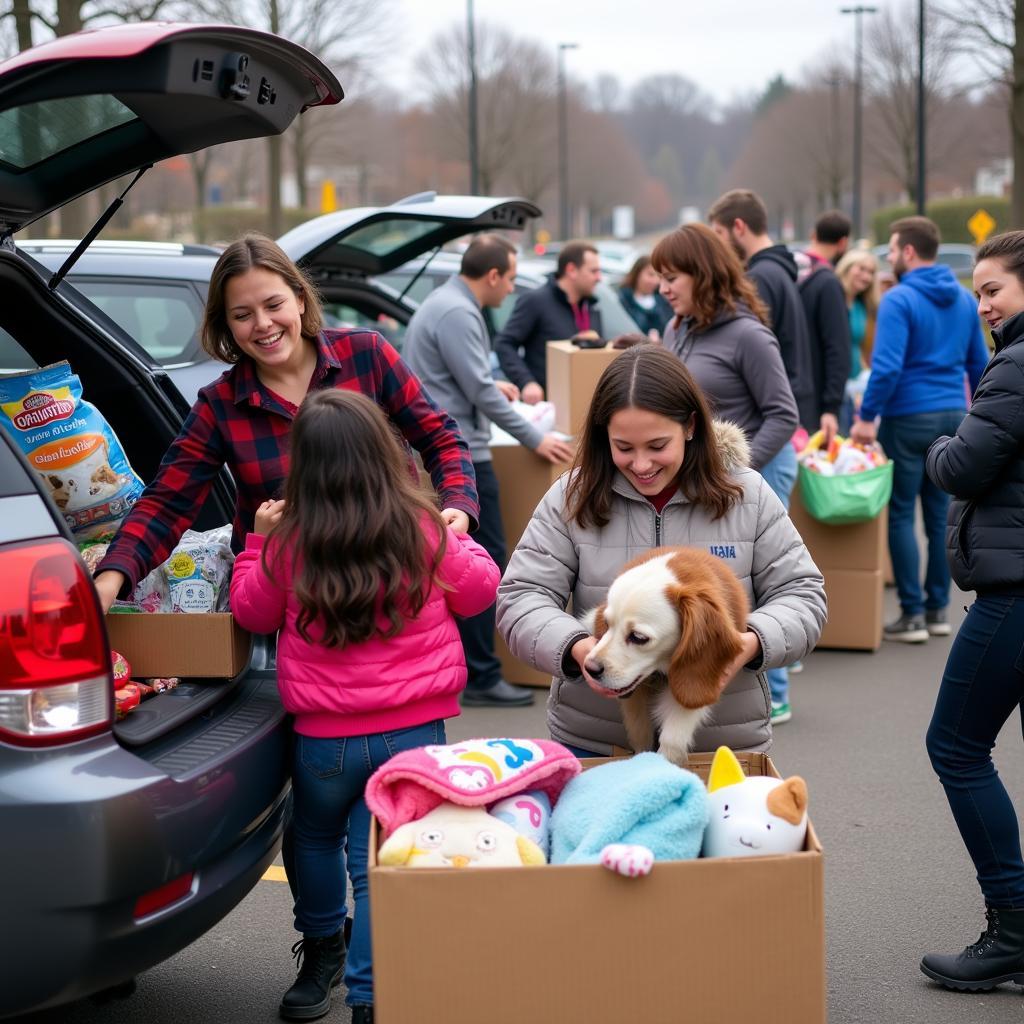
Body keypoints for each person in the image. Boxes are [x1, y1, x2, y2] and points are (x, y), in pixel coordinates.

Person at [231, 389, 500, 1023]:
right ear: (385, 452)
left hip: (324, 741)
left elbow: (251, 612)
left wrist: (256, 541)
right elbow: (481, 591)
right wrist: (462, 534)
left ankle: (322, 951)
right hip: (414, 733)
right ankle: (370, 998)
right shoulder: (421, 527)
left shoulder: (291, 541)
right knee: (376, 861)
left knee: (315, 839)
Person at [92, 232, 479, 609]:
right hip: (291, 607)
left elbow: (440, 437)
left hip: (394, 580)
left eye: (273, 304)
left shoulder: (367, 355)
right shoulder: (219, 404)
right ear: (226, 324)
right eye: (242, 315)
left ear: (299, 298)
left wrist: (458, 504)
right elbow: (167, 504)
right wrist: (113, 575)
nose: (262, 324)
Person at [496, 344, 826, 758]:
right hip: (595, 739)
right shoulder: (571, 497)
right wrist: (579, 647)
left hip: (721, 744)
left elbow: (803, 594)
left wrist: (748, 643)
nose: (641, 464)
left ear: (690, 426)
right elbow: (520, 597)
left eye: (657, 445)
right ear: (603, 437)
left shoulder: (747, 494)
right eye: (623, 447)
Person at [404, 234, 575, 708]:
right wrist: (535, 438)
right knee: (482, 560)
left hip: (447, 448)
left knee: (460, 556)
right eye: (512, 279)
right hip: (463, 455)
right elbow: (476, 390)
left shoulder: (443, 302)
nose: (512, 290)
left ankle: (473, 667)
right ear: (493, 275)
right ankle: (482, 672)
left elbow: (460, 376)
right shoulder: (459, 312)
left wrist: (495, 383)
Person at [920, 230, 1024, 991]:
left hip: (1014, 594)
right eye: (978, 291)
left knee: (955, 747)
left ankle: (1013, 928)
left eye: (993, 290)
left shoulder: (1016, 366)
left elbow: (961, 465)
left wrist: (937, 444)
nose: (982, 304)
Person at [652, 223, 802, 723]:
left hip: (753, 473)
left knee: (751, 584)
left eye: (672, 276)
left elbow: (783, 412)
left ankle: (772, 689)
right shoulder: (678, 328)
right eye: (660, 277)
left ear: (704, 273)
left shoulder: (748, 335)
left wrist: (739, 471)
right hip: (696, 481)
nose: (663, 287)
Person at [851, 216, 989, 643]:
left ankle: (910, 614)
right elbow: (978, 363)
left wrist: (866, 417)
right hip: (953, 417)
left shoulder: (900, 299)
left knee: (899, 514)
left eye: (891, 250)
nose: (889, 259)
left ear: (909, 252)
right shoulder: (967, 301)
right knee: (938, 517)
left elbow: (887, 367)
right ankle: (937, 611)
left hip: (906, 417)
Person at [707, 188, 816, 436]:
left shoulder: (758, 278)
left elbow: (751, 353)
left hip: (771, 418)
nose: (718, 244)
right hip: (793, 404)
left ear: (739, 226)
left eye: (719, 233)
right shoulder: (778, 270)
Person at [494, 240, 603, 402]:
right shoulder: (535, 301)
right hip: (546, 406)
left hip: (584, 404)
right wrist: (527, 382)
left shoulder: (590, 306)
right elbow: (504, 344)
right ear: (571, 270)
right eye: (593, 271)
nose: (599, 278)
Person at [797, 210, 854, 446]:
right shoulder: (828, 283)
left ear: (813, 235)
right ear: (842, 243)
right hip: (818, 402)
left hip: (789, 396)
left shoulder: (788, 275)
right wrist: (831, 406)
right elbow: (838, 348)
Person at [835, 249, 881, 434]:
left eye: (871, 272)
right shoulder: (832, 299)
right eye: (861, 269)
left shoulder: (863, 307)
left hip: (856, 384)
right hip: (837, 384)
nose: (866, 276)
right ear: (847, 267)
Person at [617, 254, 673, 339]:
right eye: (650, 275)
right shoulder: (622, 300)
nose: (655, 281)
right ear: (637, 273)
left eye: (658, 276)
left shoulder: (664, 301)